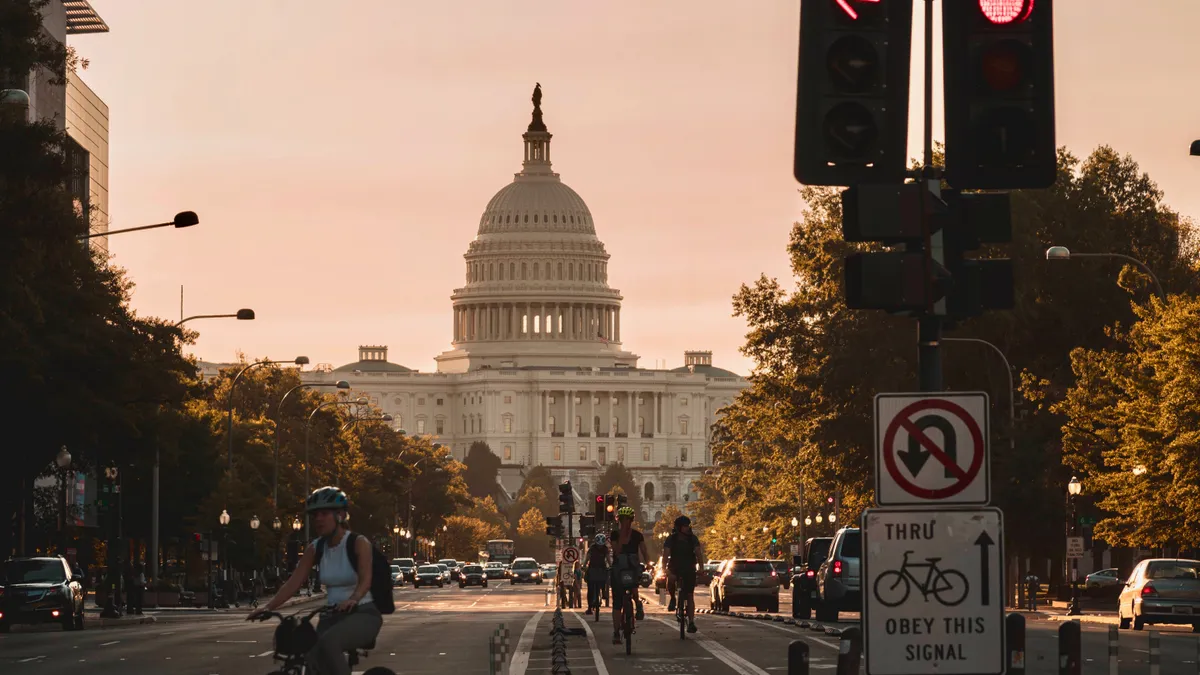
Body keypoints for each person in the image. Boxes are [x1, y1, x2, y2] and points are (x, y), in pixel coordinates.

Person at [249, 487, 382, 675]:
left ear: (341, 515)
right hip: (330, 617)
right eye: (315, 515)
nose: (318, 519)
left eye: (324, 513)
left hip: (362, 614)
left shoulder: (358, 543)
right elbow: (293, 583)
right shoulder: (316, 548)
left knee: (330, 643)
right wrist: (268, 607)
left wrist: (353, 598)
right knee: (308, 654)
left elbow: (365, 580)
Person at [610, 506, 649, 646]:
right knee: (617, 603)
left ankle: (638, 604)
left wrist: (648, 563)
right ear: (619, 520)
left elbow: (644, 551)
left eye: (628, 520)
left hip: (632, 567)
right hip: (619, 569)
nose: (625, 522)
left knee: (634, 585)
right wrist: (622, 536)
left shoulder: (638, 535)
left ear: (631, 520)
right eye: (623, 520)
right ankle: (616, 632)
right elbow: (617, 550)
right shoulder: (614, 534)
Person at [663, 515, 703, 633]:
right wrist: (664, 568)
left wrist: (701, 568)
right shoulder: (671, 539)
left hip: (689, 567)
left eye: (687, 526)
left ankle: (691, 622)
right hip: (675, 566)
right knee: (670, 579)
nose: (687, 528)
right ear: (678, 527)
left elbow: (698, 553)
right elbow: (665, 555)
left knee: (690, 595)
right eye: (684, 526)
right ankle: (672, 598)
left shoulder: (692, 539)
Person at [585, 533, 610, 615]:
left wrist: (610, 566)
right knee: (591, 588)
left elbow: (608, 559)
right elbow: (587, 558)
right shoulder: (596, 548)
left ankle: (603, 592)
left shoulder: (594, 548)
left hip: (596, 568)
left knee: (601, 581)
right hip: (595, 568)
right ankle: (590, 606)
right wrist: (584, 564)